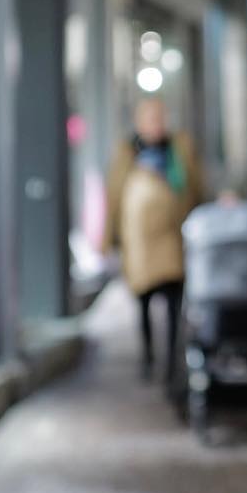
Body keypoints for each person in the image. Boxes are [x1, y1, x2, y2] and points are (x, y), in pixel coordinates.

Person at [103, 97, 202, 387]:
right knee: (143, 303)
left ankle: (171, 361)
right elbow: (114, 198)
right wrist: (108, 239)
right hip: (140, 245)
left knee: (174, 305)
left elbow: (196, 187)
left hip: (173, 239)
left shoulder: (178, 149)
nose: (155, 125)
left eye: (159, 118)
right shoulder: (127, 153)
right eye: (150, 119)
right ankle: (148, 356)